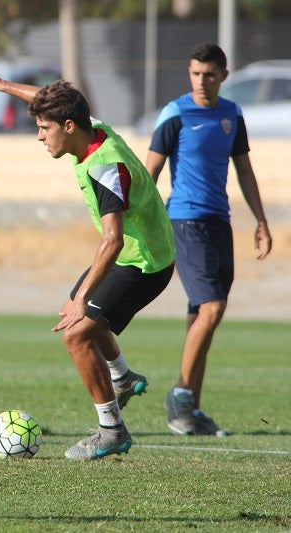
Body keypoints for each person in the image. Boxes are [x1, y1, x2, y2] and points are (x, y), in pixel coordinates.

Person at [0, 66, 175, 460]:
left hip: (143, 264)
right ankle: (122, 377)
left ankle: (111, 431)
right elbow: (46, 102)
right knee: (75, 313)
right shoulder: (91, 128)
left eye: (44, 129)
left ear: (67, 127)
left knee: (76, 333)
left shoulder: (104, 168)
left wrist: (83, 299)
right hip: (131, 253)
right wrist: (0, 86)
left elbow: (112, 240)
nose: (39, 137)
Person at [145, 43, 272, 437]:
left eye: (209, 74)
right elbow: (149, 175)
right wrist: (142, 225)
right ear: (190, 72)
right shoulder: (175, 113)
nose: (201, 81)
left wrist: (261, 221)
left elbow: (245, 171)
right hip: (184, 220)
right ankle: (181, 394)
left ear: (223, 76)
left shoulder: (232, 114)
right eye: (196, 73)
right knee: (212, 308)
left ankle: (191, 412)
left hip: (220, 223)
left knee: (204, 315)